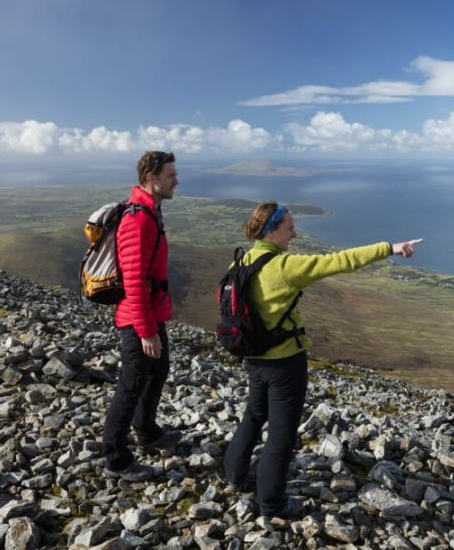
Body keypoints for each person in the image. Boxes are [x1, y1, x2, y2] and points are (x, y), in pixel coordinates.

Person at [223, 201, 422, 518]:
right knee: (281, 437)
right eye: (289, 228)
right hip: (285, 364)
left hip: (254, 358)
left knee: (253, 415)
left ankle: (234, 476)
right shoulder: (283, 267)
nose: (294, 233)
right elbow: (341, 261)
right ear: (272, 231)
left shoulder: (242, 262)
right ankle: (272, 505)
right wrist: (391, 247)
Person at [102, 150, 180, 482]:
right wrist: (146, 330)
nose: (176, 180)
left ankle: (147, 432)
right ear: (151, 177)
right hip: (137, 318)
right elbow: (133, 280)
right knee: (130, 385)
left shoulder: (150, 211)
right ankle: (116, 458)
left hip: (150, 313)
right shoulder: (137, 219)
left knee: (158, 370)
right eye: (170, 175)